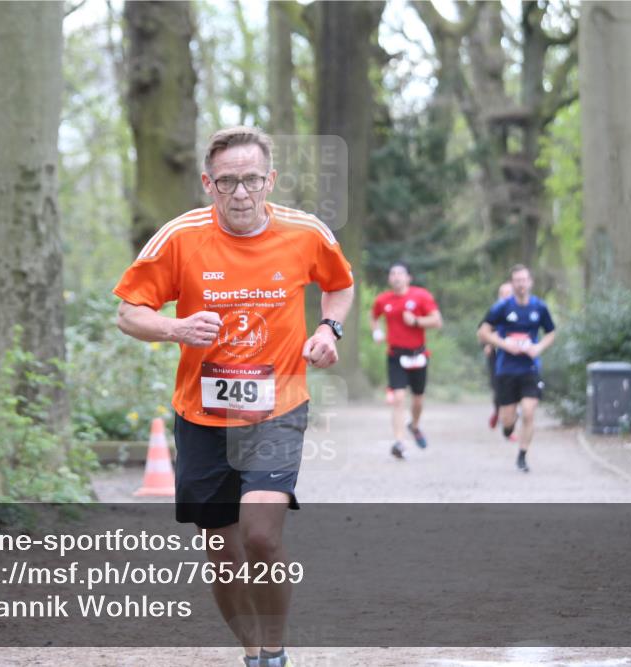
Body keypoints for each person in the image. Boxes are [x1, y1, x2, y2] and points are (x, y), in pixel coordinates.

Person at [113, 126, 354, 667]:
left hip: (278, 407)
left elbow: (339, 284)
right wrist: (175, 329)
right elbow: (129, 312)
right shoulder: (180, 238)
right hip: (202, 415)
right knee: (222, 552)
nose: (240, 193)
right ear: (208, 183)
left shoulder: (305, 232)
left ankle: (275, 651)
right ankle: (252, 652)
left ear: (270, 180)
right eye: (227, 182)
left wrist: (327, 331)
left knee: (262, 537)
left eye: (250, 180)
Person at [477, 264, 556, 473]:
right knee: (508, 419)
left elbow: (551, 333)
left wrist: (538, 347)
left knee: (529, 412)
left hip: (529, 368)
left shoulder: (539, 307)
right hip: (506, 369)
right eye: (517, 281)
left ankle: (522, 455)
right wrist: (504, 344)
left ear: (530, 282)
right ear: (512, 284)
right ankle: (509, 426)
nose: (521, 284)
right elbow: (483, 332)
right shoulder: (502, 308)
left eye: (524, 280)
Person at [370, 262, 442, 459]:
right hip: (395, 355)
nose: (396, 277)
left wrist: (417, 321)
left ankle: (415, 425)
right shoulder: (383, 300)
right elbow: (374, 315)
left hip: (418, 355)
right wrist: (376, 331)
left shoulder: (421, 296)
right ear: (389, 279)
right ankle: (400, 442)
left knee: (418, 399)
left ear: (409, 278)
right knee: (398, 398)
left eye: (400, 273)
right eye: (392, 274)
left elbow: (437, 320)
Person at [484, 281, 514, 431]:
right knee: (498, 388)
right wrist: (489, 344)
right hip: (497, 357)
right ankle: (499, 411)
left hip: (517, 358)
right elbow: (482, 333)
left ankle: (508, 421)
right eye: (502, 294)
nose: (505, 296)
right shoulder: (494, 312)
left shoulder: (523, 309)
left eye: (508, 293)